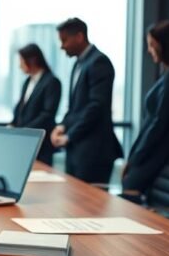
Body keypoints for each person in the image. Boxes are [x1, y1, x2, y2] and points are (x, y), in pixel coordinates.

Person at [121, 20, 169, 196]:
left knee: (129, 195)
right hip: (154, 154)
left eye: (152, 45)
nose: (149, 50)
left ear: (165, 45)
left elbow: (159, 123)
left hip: (155, 155)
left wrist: (136, 159)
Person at [49, 18, 124, 184]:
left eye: (64, 40)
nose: (62, 46)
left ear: (79, 37)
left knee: (90, 207)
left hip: (93, 152)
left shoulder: (99, 62)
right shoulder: (78, 64)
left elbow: (96, 106)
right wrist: (61, 126)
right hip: (76, 150)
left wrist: (69, 136)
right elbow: (75, 107)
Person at [10, 43, 62, 165]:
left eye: (21, 61)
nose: (20, 65)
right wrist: (13, 125)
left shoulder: (51, 82)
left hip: (41, 144)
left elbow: (47, 114)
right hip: (24, 143)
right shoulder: (28, 81)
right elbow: (21, 109)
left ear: (32, 60)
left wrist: (24, 130)